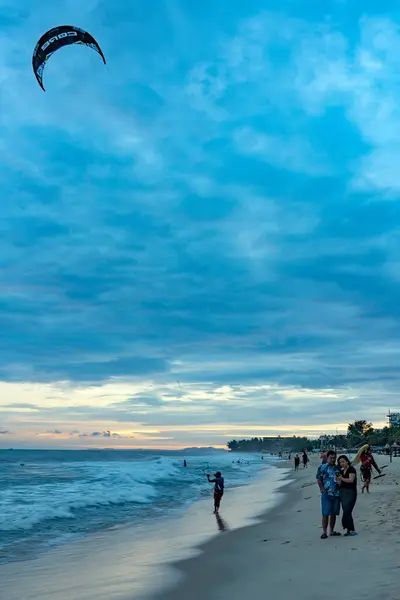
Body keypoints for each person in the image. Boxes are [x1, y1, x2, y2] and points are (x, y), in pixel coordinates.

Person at [316, 450, 341, 539]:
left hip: (336, 494)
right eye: (331, 458)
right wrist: (323, 489)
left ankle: (332, 531)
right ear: (327, 457)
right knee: (325, 513)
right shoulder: (322, 467)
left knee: (333, 514)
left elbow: (339, 478)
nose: (333, 460)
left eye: (334, 458)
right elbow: (319, 480)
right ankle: (324, 532)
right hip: (326, 493)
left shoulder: (337, 468)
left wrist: (339, 483)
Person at [337, 455, 357, 536]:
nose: (342, 463)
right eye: (340, 462)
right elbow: (340, 484)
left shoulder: (351, 469)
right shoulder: (341, 472)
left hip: (351, 492)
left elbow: (351, 480)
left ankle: (351, 529)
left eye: (343, 461)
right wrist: (338, 479)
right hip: (343, 492)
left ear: (347, 461)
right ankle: (349, 530)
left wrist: (342, 478)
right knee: (345, 510)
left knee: (348, 511)